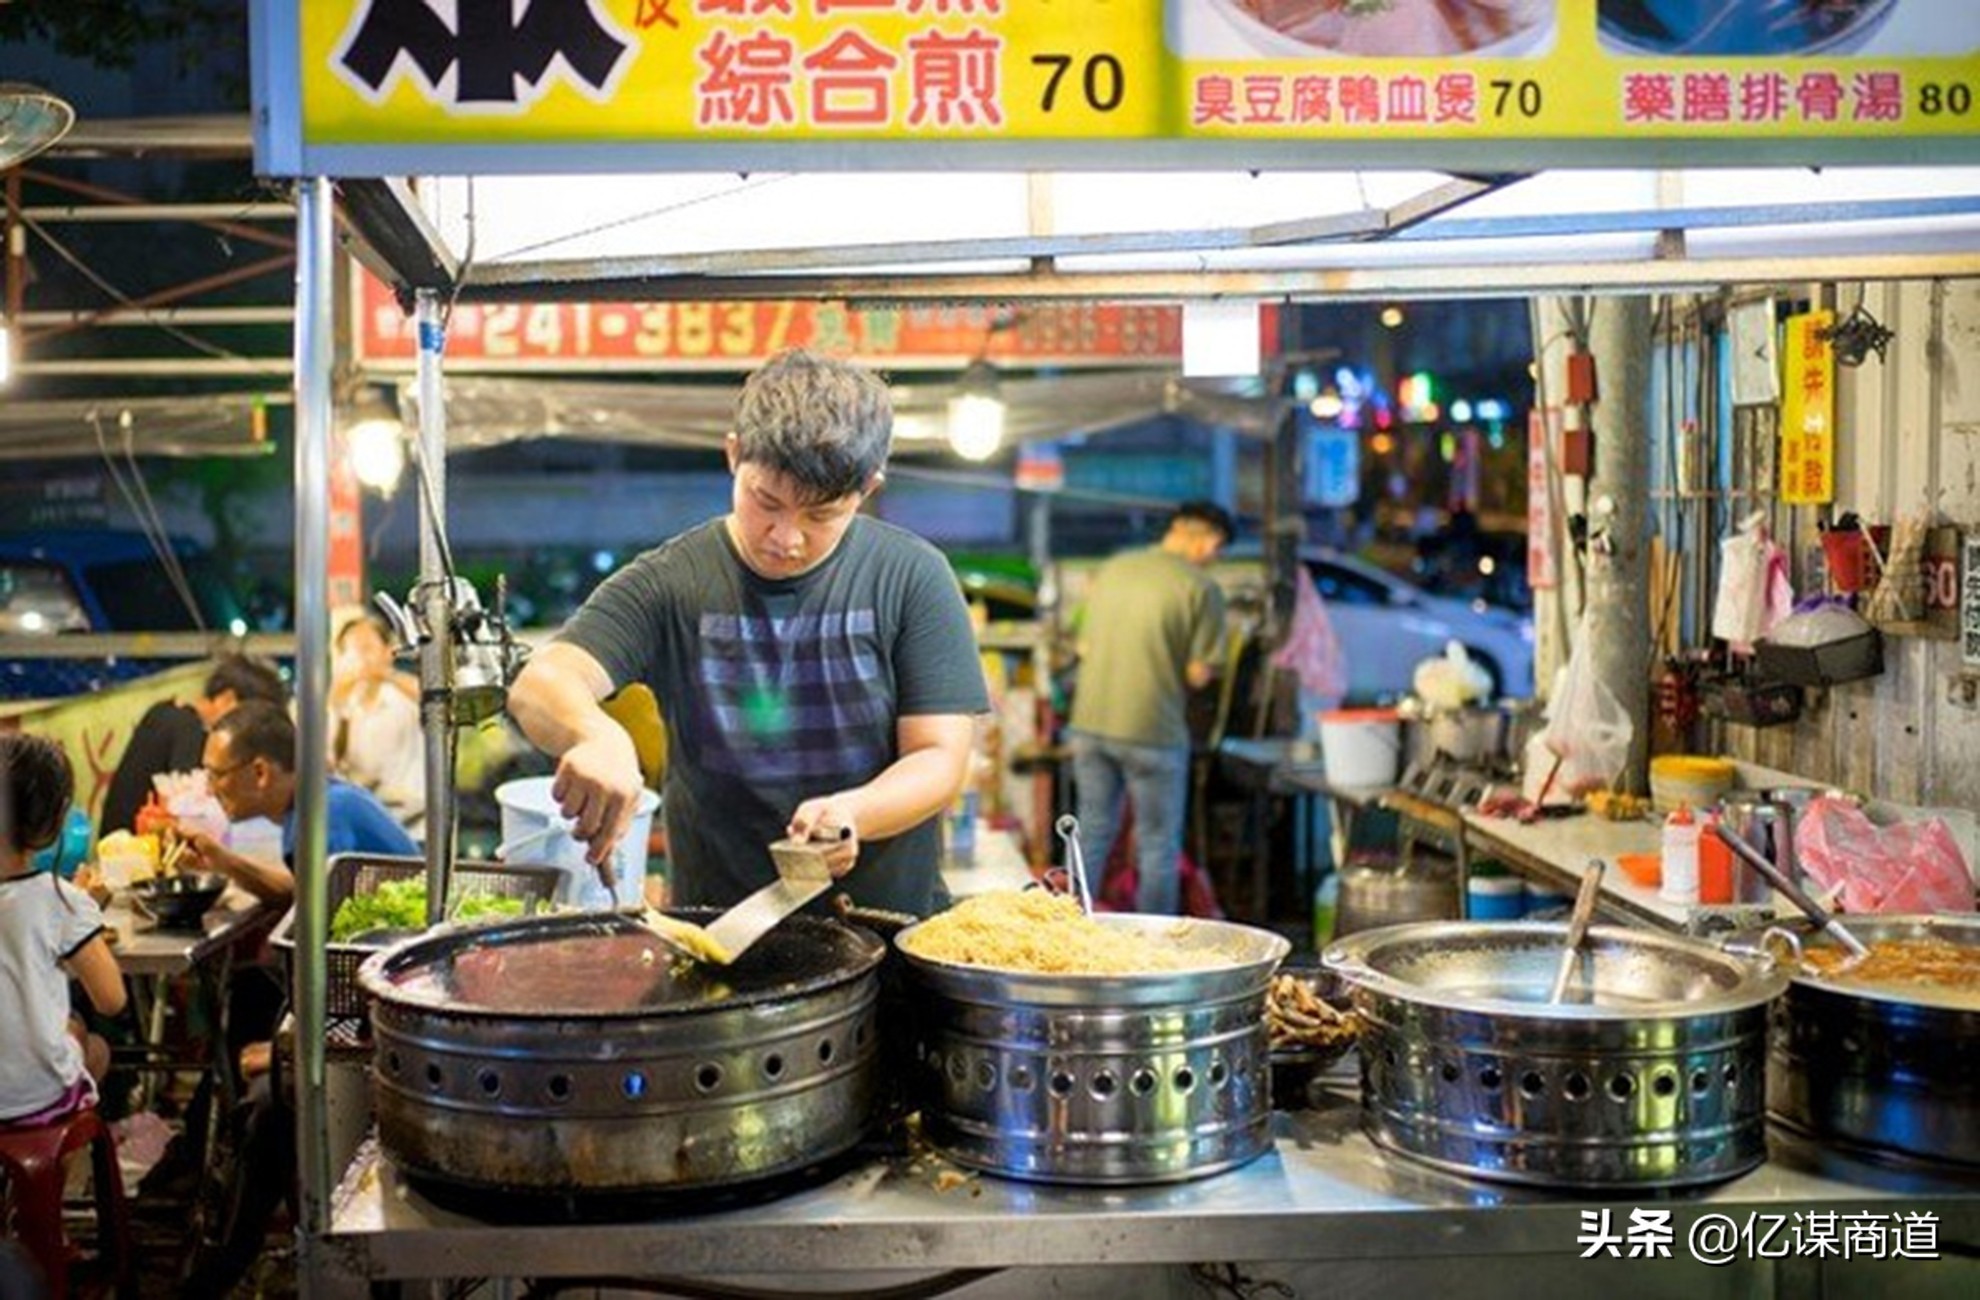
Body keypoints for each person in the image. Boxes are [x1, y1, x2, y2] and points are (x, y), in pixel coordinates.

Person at [508, 348, 990, 917]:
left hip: (882, 931)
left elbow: (939, 755)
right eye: (767, 502)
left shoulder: (912, 577)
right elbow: (541, 682)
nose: (785, 537)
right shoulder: (674, 581)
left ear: (867, 489)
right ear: (734, 454)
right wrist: (595, 734)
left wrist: (855, 812)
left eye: (821, 516)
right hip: (721, 938)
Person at [1068, 501, 1233, 915]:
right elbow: (1199, 674)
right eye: (1218, 548)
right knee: (1157, 844)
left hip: (1088, 724)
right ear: (1208, 540)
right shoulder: (1201, 587)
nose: (1215, 557)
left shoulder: (1114, 569)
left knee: (1092, 833)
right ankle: (1153, 950)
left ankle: (1069, 928)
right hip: (1152, 730)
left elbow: (1082, 645)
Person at [0, 734, 128, 1127]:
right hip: (26, 1102)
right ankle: (54, 1178)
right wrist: (82, 909)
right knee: (93, 1044)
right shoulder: (62, 900)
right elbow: (111, 999)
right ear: (56, 820)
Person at [175, 700, 417, 902]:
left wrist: (224, 860)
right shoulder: (311, 803)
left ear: (261, 773)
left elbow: (311, 910)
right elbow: (301, 892)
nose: (209, 788)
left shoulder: (325, 812)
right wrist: (221, 861)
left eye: (216, 775)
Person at [98, 654, 288, 836]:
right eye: (250, 715)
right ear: (227, 699)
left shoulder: (169, 715)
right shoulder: (187, 727)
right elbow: (197, 808)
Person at [330, 610, 425, 830]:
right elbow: (330, 761)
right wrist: (335, 700)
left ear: (388, 651)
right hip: (364, 821)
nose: (358, 657)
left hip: (412, 823)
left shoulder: (403, 696)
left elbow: (435, 700)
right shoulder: (346, 704)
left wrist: (386, 673)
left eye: (366, 648)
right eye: (349, 650)